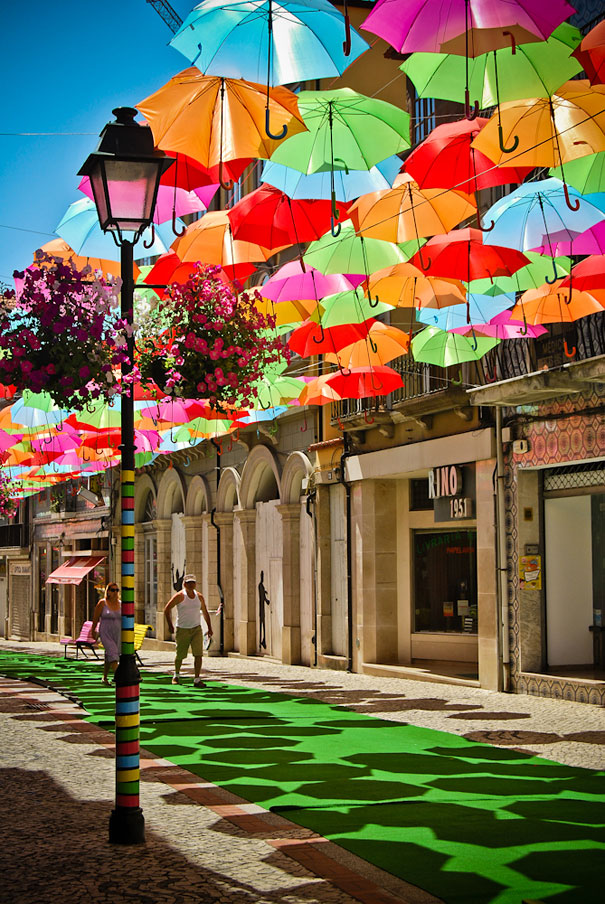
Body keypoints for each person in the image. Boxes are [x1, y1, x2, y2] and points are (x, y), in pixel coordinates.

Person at [164, 573, 213, 687]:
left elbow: (205, 612)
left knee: (198, 654)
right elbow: (167, 609)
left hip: (196, 628)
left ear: (195, 584)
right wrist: (170, 625)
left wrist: (210, 627)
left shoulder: (199, 596)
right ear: (184, 584)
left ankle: (197, 679)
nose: (191, 585)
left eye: (193, 582)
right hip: (183, 629)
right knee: (180, 654)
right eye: (188, 583)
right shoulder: (180, 596)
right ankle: (176, 675)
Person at [91, 582, 122, 686]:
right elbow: (95, 618)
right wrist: (93, 631)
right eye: (112, 590)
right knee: (113, 654)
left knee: (110, 655)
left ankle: (104, 677)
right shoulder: (102, 603)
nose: (115, 592)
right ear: (108, 591)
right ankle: (120, 678)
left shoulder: (121, 604)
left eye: (117, 590)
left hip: (117, 633)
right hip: (105, 633)